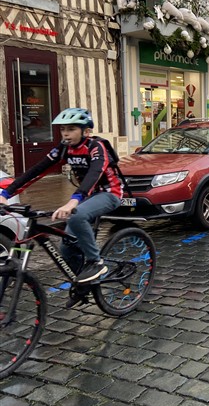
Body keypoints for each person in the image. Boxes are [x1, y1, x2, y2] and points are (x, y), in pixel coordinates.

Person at [0, 108, 123, 284]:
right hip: (87, 196)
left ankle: (96, 262)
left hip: (109, 193)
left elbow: (94, 174)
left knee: (77, 216)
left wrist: (73, 201)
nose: (65, 133)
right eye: (63, 129)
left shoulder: (96, 147)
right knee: (67, 247)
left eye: (71, 129)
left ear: (86, 131)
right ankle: (83, 285)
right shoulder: (65, 148)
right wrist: (6, 193)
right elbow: (37, 170)